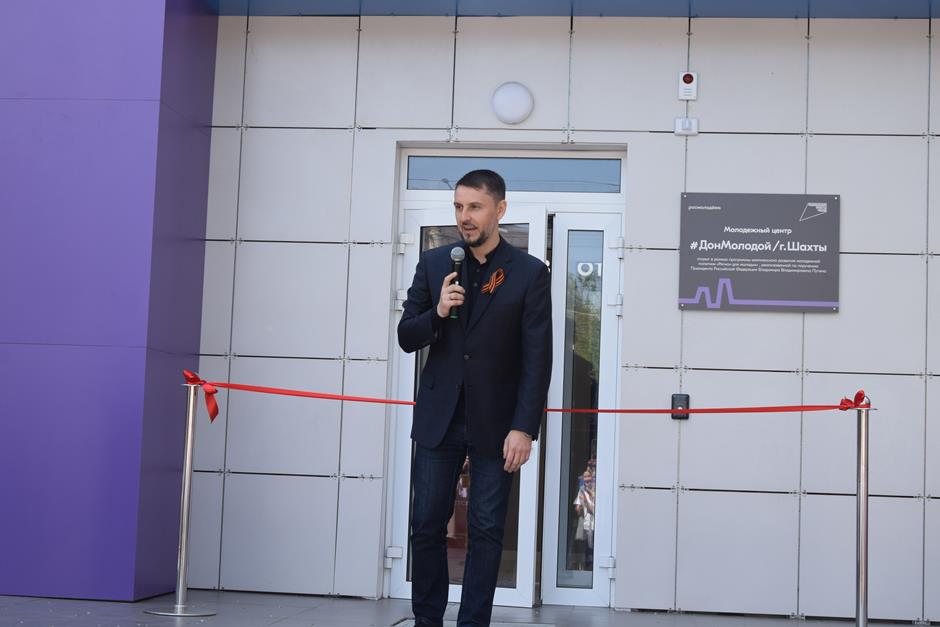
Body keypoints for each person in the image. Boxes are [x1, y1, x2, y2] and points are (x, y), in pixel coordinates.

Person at [398, 169, 552, 627]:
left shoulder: (529, 273)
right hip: (439, 419)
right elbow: (407, 336)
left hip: (497, 423)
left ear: (499, 210)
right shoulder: (434, 265)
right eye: (458, 207)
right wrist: (438, 311)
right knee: (426, 525)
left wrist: (524, 427)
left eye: (474, 207)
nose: (464, 217)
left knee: (486, 530)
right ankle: (427, 620)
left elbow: (537, 358)